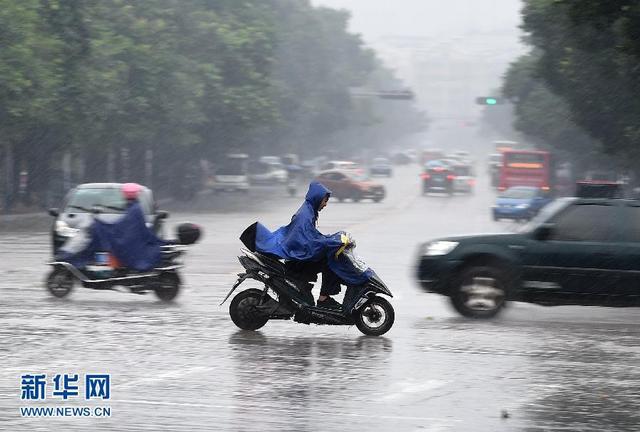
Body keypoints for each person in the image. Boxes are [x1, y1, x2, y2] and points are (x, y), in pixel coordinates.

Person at [254, 182, 347, 309]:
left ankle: (323, 297)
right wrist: (330, 242)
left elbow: (312, 236)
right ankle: (324, 299)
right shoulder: (305, 216)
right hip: (297, 260)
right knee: (331, 261)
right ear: (317, 198)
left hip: (298, 257)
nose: (325, 204)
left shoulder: (309, 211)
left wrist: (331, 239)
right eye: (324, 201)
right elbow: (307, 242)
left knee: (330, 256)